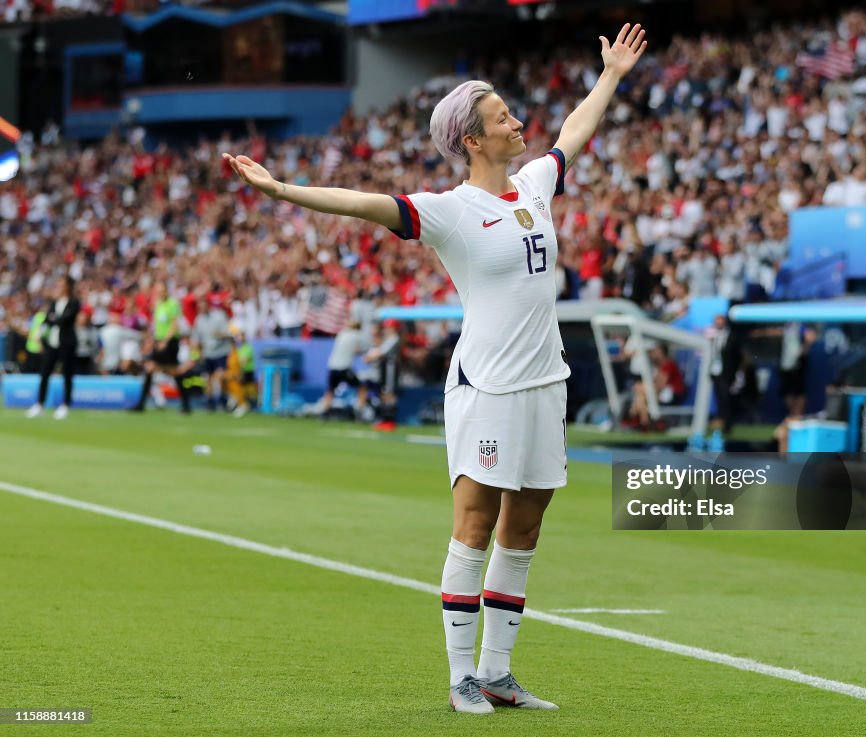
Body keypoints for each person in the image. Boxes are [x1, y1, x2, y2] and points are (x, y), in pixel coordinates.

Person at [223, 21, 647, 714]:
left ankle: (498, 671)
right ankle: (459, 680)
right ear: (473, 141)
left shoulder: (536, 183)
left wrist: (612, 77)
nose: (518, 122)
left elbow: (574, 132)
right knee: (474, 525)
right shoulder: (449, 211)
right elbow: (365, 204)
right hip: (486, 386)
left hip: (546, 382)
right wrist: (279, 191)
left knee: (526, 528)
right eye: (502, 116)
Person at [131, 282, 192, 414]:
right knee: (150, 368)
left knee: (173, 371)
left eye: (161, 291)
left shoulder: (172, 304)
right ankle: (141, 404)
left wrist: (165, 341)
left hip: (169, 342)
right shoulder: (158, 304)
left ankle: (186, 404)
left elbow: (174, 324)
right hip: (159, 342)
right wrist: (153, 339)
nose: (159, 293)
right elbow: (157, 325)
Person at [26, 276, 80, 420]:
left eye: (61, 284)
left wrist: (54, 318)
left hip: (66, 343)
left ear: (68, 286)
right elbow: (46, 320)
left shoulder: (74, 302)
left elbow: (65, 320)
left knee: (67, 375)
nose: (59, 287)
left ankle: (65, 405)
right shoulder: (54, 302)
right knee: (44, 373)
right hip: (52, 343)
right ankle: (39, 404)